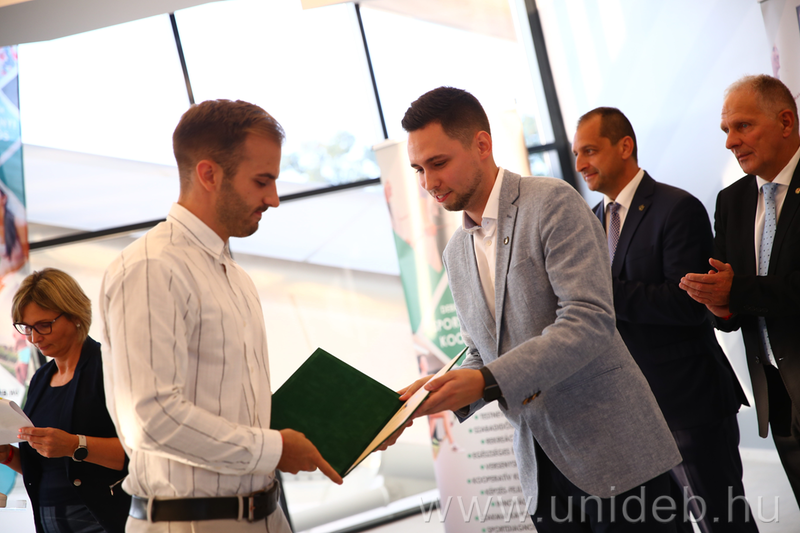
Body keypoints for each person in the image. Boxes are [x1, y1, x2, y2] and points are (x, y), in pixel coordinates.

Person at [399, 86, 681, 532]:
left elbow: (589, 320)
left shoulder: (551, 202)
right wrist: (436, 392)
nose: (428, 182)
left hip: (614, 452)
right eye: (418, 169)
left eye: (438, 163)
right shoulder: (455, 252)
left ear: (481, 144)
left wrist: (485, 380)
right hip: (540, 469)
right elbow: (481, 353)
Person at [99, 99, 344, 533]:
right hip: (190, 523)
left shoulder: (236, 276)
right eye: (262, 181)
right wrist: (273, 449)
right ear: (209, 174)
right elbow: (150, 419)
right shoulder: (153, 267)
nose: (273, 199)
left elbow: (235, 411)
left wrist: (342, 430)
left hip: (266, 515)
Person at [574, 107, 756, 532]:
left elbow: (689, 304)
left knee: (722, 522)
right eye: (576, 153)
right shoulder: (592, 222)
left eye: (590, 150)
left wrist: (598, 293)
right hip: (631, 413)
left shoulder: (676, 208)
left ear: (625, 146)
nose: (580, 163)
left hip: (687, 405)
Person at [680, 74, 800, 507]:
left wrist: (735, 292)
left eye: (743, 126)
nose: (731, 141)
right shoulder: (731, 200)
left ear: (785, 122)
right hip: (778, 394)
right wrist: (718, 303)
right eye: (726, 130)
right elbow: (731, 307)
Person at [0, 268, 130, 533]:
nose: (34, 338)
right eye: (27, 328)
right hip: (50, 522)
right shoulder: (41, 379)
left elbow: (137, 454)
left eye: (43, 325)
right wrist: (9, 456)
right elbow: (46, 467)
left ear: (75, 315)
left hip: (104, 522)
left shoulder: (109, 368)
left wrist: (74, 445)